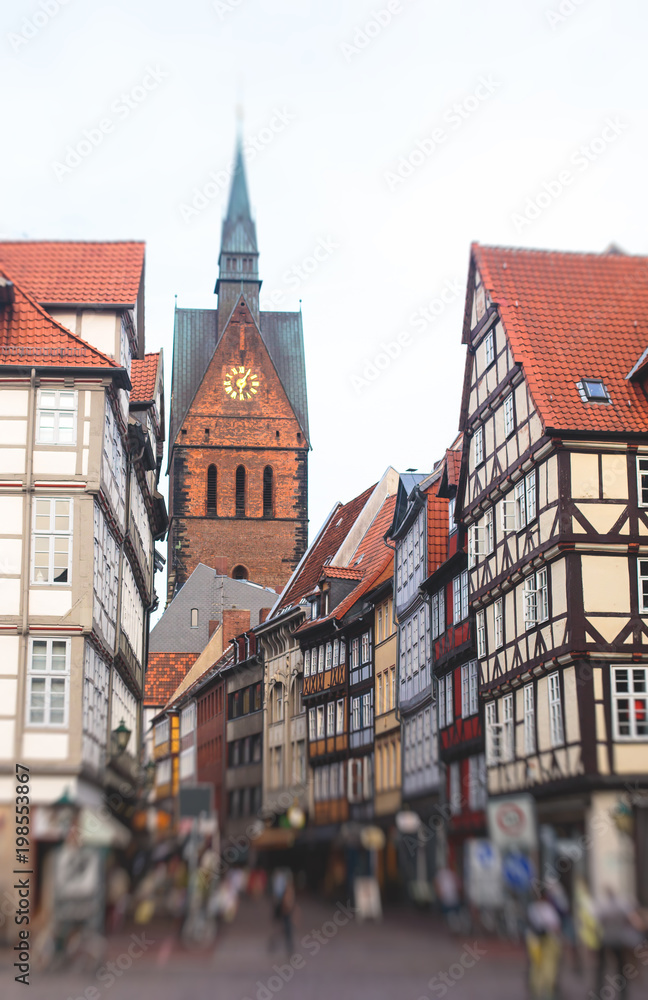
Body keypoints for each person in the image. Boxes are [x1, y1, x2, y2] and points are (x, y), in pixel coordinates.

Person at [594, 886, 644, 1000]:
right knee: (620, 968)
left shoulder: (604, 906)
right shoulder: (622, 905)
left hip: (606, 939)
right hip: (617, 940)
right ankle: (623, 994)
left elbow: (598, 922)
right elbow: (633, 920)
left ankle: (599, 990)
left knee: (601, 968)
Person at [526, 888, 562, 1000]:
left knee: (538, 966)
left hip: (537, 940)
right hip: (545, 940)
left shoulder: (533, 908)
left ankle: (539, 991)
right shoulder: (546, 909)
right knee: (546, 966)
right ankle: (545, 991)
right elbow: (555, 926)